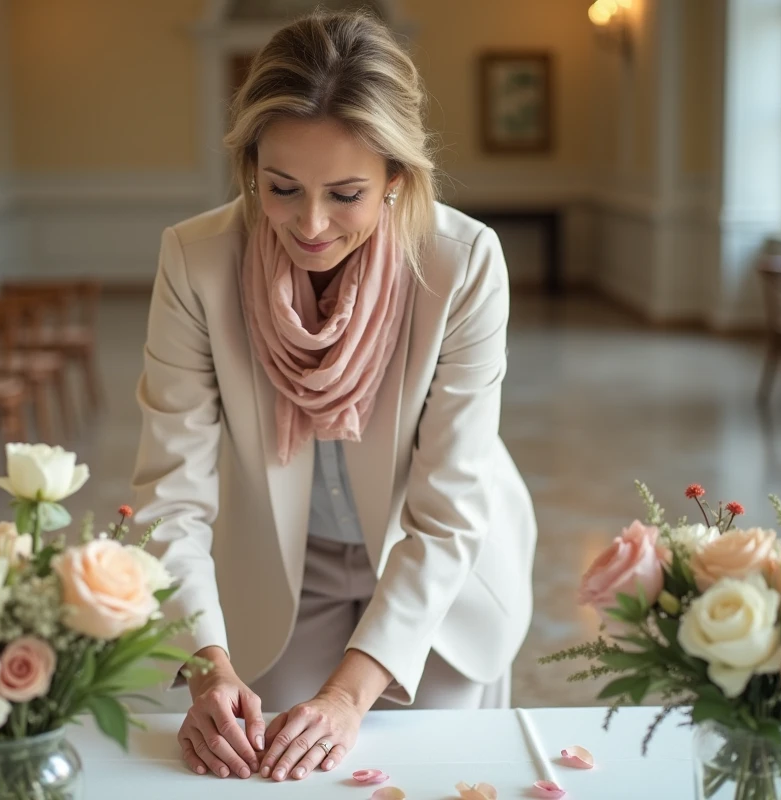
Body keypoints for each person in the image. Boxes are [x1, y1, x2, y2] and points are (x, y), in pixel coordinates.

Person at [130, 9, 536, 785]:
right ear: (250, 166)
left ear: (396, 178)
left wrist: (351, 698)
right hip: (281, 571)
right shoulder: (194, 261)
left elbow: (446, 511)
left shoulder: (465, 264)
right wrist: (210, 670)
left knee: (427, 777)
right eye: (282, 188)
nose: (309, 226)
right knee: (267, 769)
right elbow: (171, 498)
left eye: (345, 194)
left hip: (439, 574)